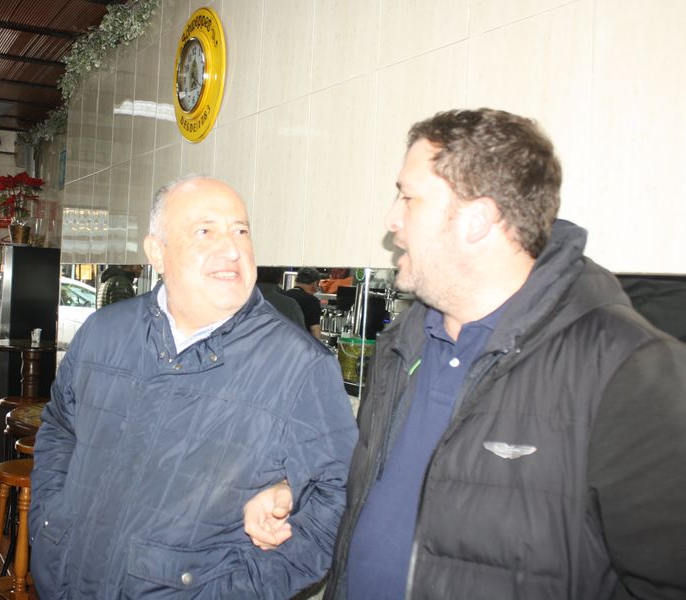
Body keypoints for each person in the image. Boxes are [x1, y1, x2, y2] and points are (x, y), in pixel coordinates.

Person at [244, 109, 686, 599]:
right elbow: (389, 490)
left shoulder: (628, 368)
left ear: (477, 220)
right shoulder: (404, 344)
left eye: (408, 198)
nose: (391, 220)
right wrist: (296, 491)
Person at [29, 176, 357, 598]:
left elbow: (338, 498)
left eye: (241, 231)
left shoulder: (300, 366)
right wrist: (51, 525)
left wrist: (236, 591)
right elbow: (60, 430)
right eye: (205, 231)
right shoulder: (103, 332)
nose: (232, 249)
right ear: (156, 253)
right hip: (66, 583)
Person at [285, 267, 323, 339]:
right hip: (301, 342)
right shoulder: (312, 301)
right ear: (315, 283)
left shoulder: (283, 295)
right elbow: (315, 330)